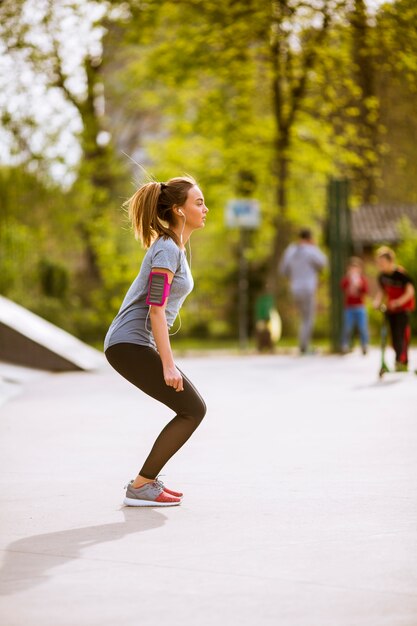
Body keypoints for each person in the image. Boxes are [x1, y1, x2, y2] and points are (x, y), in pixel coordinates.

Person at [104, 176, 208, 506]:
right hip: (129, 344)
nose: (205, 208)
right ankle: (142, 485)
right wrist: (168, 365)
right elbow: (156, 309)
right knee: (192, 410)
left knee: (191, 409)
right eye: (198, 202)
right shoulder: (166, 249)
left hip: (133, 343)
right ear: (178, 210)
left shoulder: (174, 246)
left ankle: (144, 482)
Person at [279, 228, 327, 354]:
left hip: (295, 288)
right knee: (308, 318)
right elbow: (323, 263)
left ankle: (303, 344)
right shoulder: (311, 250)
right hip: (308, 288)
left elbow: (283, 270)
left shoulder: (290, 250)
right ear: (310, 238)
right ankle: (304, 347)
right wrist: (315, 247)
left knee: (303, 317)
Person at [373, 246, 415, 371]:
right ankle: (398, 361)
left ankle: (402, 361)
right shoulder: (382, 277)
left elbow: (410, 292)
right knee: (392, 336)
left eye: (383, 262)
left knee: (401, 335)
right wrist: (377, 302)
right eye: (379, 263)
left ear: (391, 261)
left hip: (403, 309)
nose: (380, 265)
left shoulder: (400, 275)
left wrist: (398, 302)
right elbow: (382, 292)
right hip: (391, 310)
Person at [340, 257, 369, 354]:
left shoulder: (362, 279)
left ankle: (364, 345)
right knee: (347, 327)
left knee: (362, 327)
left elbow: (365, 290)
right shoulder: (347, 279)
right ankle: (345, 345)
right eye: (352, 269)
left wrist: (359, 285)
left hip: (360, 306)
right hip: (349, 307)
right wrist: (348, 279)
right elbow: (342, 286)